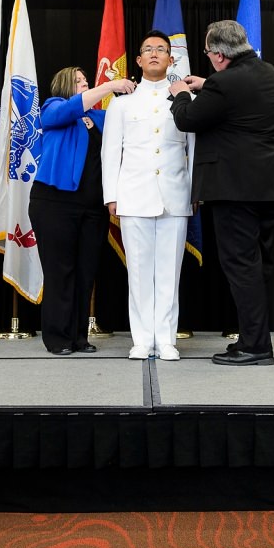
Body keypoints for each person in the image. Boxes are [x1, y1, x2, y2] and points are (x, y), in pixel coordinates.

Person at [169, 20, 274, 366]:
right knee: (258, 267)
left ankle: (256, 347)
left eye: (208, 54)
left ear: (220, 55)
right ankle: (255, 340)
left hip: (235, 189)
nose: (208, 59)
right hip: (268, 187)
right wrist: (208, 85)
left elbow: (188, 118)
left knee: (241, 268)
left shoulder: (223, 83)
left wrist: (180, 94)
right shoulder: (268, 72)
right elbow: (241, 98)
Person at [102, 30, 194, 361]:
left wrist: (194, 191)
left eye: (161, 49)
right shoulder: (122, 103)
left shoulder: (186, 101)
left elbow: (194, 150)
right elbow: (111, 151)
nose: (155, 53)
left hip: (174, 194)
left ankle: (166, 339)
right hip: (134, 194)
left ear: (172, 59)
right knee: (139, 271)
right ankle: (141, 339)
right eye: (148, 50)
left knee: (169, 271)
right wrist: (111, 194)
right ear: (138, 60)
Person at [29, 67, 135, 355]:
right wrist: (109, 86)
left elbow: (127, 123)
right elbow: (67, 111)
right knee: (60, 271)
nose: (84, 83)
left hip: (92, 208)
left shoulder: (100, 118)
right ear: (64, 85)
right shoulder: (54, 108)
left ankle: (78, 337)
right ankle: (57, 338)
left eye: (86, 80)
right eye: (78, 81)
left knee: (85, 272)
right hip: (54, 204)